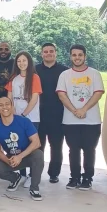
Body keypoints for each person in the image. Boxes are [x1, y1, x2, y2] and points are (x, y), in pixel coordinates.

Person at [56, 44, 105, 190]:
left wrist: (84, 109)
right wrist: (74, 111)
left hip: (92, 120)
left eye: (80, 55)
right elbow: (61, 94)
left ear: (85, 56)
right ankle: (74, 178)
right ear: (70, 56)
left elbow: (98, 92)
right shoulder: (65, 75)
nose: (77, 58)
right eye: (74, 55)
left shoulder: (94, 73)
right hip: (70, 120)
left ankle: (87, 178)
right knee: (73, 150)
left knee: (89, 149)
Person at [0, 97, 44, 201]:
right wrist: (8, 160)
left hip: (27, 155)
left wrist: (20, 156)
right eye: (1, 105)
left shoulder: (24, 121)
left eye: (7, 104)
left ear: (12, 107)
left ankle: (34, 188)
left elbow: (37, 142)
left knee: (38, 155)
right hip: (12, 157)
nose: (4, 107)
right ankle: (15, 178)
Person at [6, 51, 42, 188]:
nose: (22, 63)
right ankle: (21, 174)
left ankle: (32, 175)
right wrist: (12, 111)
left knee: (31, 147)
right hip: (15, 117)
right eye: (19, 61)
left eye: (24, 60)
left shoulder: (35, 78)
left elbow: (34, 98)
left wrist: (24, 114)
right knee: (18, 146)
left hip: (31, 118)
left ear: (29, 62)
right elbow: (9, 96)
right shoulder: (13, 78)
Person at [36, 43, 69, 184]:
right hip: (38, 114)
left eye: (51, 51)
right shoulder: (35, 70)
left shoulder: (64, 71)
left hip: (58, 114)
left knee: (56, 146)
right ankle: (35, 173)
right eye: (45, 51)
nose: (48, 53)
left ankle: (54, 173)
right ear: (41, 54)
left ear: (56, 53)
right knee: (38, 146)